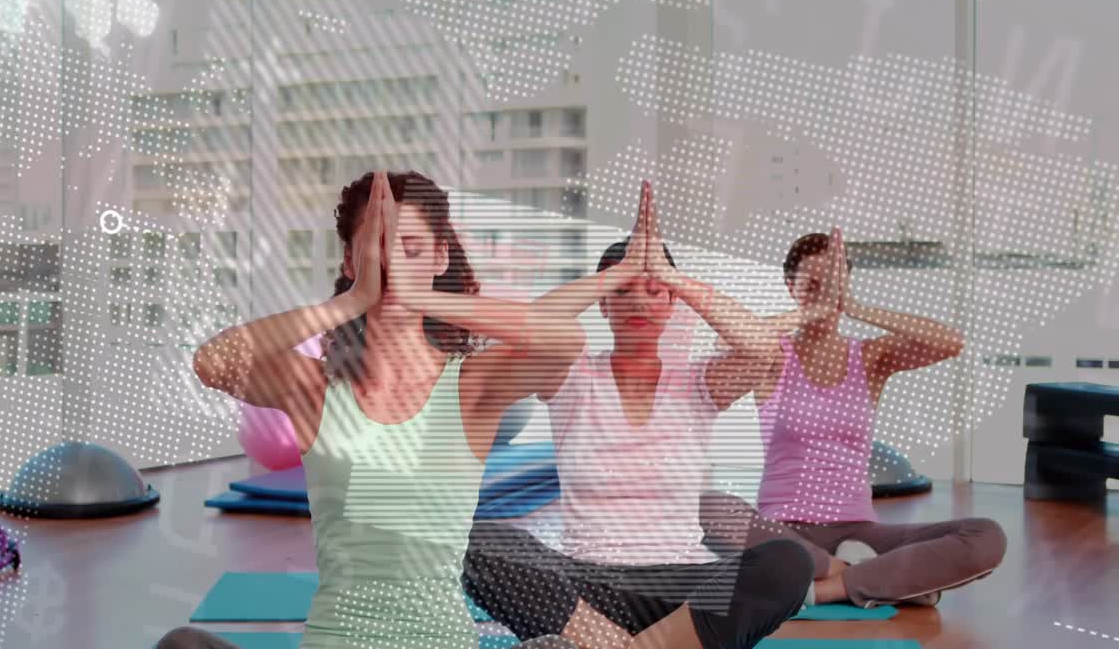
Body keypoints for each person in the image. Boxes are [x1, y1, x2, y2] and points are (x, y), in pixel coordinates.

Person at [158, 171, 673, 649]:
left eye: (409, 248)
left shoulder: (471, 386)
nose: (390, 265)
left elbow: (563, 339)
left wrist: (421, 295)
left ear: (441, 257)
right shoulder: (314, 388)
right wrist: (348, 302)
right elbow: (214, 362)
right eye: (375, 248)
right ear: (349, 262)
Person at [463, 182, 813, 649]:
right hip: (585, 587)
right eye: (623, 290)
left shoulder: (700, 383)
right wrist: (617, 272)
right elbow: (511, 336)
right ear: (603, 303)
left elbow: (762, 348)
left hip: (679, 586)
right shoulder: (570, 374)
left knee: (788, 562)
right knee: (477, 541)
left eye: (656, 290)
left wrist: (675, 277)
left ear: (673, 303)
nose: (640, 301)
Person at [700, 229, 1007, 609]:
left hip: (860, 531)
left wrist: (857, 308)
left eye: (834, 285)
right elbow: (723, 342)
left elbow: (950, 342)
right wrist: (811, 310)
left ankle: (830, 586)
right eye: (811, 285)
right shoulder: (771, 354)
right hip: (784, 532)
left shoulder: (869, 357)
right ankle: (866, 574)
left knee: (985, 535)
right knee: (708, 507)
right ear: (789, 286)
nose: (825, 296)